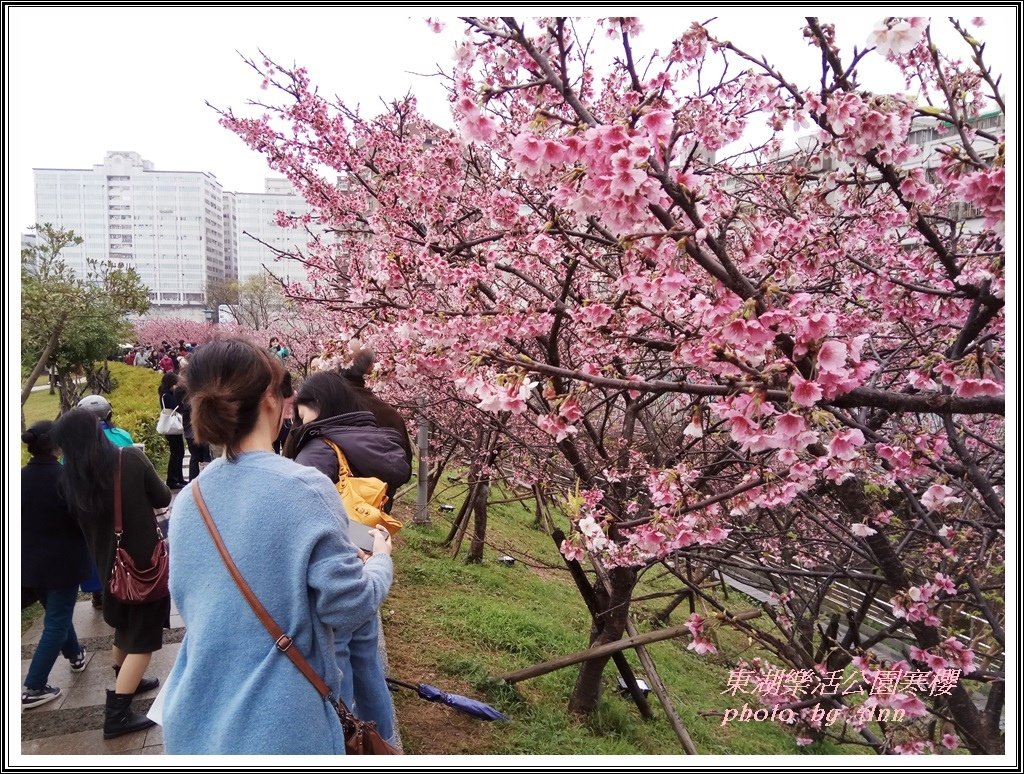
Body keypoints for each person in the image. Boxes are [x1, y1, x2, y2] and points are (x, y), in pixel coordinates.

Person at [161, 338, 394, 754]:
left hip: (194, 720)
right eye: (285, 390)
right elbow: (348, 605)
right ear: (271, 398)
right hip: (281, 727)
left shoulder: (190, 499)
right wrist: (379, 561)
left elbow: (190, 600)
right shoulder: (304, 487)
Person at [283, 370, 410, 746]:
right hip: (368, 553)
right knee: (367, 658)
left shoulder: (319, 449)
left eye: (301, 412)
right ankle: (382, 740)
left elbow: (307, 518)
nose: (296, 421)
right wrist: (371, 541)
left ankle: (350, 743)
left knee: (337, 661)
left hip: (337, 560)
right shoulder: (373, 438)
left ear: (317, 406)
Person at [50, 410, 170, 740]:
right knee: (143, 640)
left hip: (109, 567)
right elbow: (162, 497)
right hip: (142, 566)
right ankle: (116, 715)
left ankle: (125, 678)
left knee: (125, 627)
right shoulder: (129, 459)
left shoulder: (70, 480)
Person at [21, 421, 92, 709]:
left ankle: (75, 655)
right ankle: (33, 686)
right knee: (56, 622)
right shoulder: (65, 478)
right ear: (57, 446)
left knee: (56, 614)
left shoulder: (18, 478)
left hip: (29, 564)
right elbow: (82, 518)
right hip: (62, 563)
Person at [77, 394, 135, 608]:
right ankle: (125, 583)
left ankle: (98, 592)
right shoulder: (121, 436)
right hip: (121, 502)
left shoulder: (75, 445)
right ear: (109, 414)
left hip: (89, 505)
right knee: (123, 544)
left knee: (93, 547)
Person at [338, 345, 414, 502]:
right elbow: (403, 470)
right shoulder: (389, 415)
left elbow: (292, 452)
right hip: (372, 505)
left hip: (324, 500)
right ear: (370, 368)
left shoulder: (314, 405)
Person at [158, 372, 187, 489]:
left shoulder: (169, 393)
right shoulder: (165, 395)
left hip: (175, 428)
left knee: (180, 452)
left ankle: (179, 477)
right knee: (176, 453)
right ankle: (172, 480)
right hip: (170, 427)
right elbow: (175, 406)